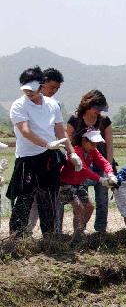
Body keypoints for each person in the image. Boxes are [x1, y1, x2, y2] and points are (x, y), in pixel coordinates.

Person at [6, 67, 73, 237]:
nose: (28, 91)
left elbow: (60, 130)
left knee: (49, 198)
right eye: (25, 88)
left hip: (49, 158)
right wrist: (47, 144)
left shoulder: (52, 105)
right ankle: (16, 239)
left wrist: (71, 152)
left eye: (32, 88)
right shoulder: (19, 105)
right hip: (27, 158)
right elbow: (26, 131)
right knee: (24, 198)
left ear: (41, 85)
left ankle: (49, 238)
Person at [66, 89, 114, 232]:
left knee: (102, 200)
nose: (98, 112)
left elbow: (109, 143)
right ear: (87, 104)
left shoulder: (104, 121)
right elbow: (67, 140)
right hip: (79, 163)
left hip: (99, 160)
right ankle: (80, 230)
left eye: (101, 109)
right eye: (96, 108)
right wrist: (73, 157)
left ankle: (100, 230)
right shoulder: (75, 120)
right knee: (81, 201)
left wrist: (109, 168)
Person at [57, 130, 115, 236]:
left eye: (96, 144)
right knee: (78, 207)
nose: (94, 147)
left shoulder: (92, 150)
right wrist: (101, 180)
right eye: (92, 144)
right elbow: (83, 169)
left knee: (89, 207)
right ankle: (75, 235)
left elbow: (103, 161)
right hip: (65, 183)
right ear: (84, 141)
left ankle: (78, 231)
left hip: (78, 184)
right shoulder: (75, 151)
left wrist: (110, 173)